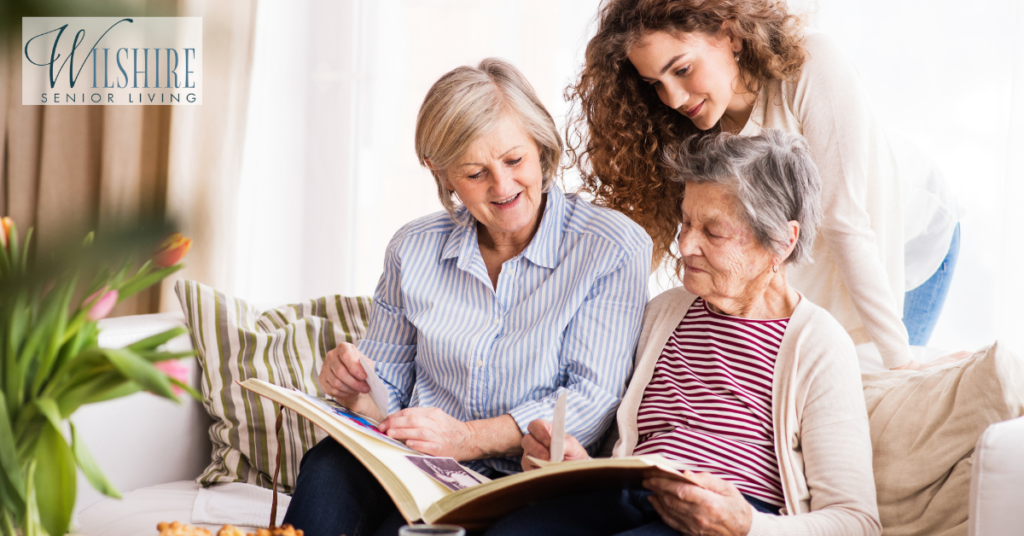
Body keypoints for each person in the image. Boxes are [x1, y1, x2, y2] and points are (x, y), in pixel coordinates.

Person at [283, 58, 653, 536]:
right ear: (442, 174)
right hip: (422, 466)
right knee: (330, 464)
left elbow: (589, 402)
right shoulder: (412, 248)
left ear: (541, 145)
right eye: (475, 173)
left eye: (515, 160)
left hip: (529, 479)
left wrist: (466, 439)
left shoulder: (611, 246)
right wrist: (357, 391)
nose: (503, 187)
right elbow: (389, 400)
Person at [485, 131, 881, 536]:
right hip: (625, 498)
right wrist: (576, 465)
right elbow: (621, 448)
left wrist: (747, 526)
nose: (686, 244)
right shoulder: (664, 312)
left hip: (724, 520)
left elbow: (857, 522)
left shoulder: (819, 344)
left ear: (782, 241)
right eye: (686, 221)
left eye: (714, 232)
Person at [565, 0, 963, 368]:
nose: (673, 98)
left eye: (682, 69)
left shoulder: (812, 66)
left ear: (731, 34)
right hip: (828, 251)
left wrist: (903, 364)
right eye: (656, 83)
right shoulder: (690, 129)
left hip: (911, 237)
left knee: (887, 387)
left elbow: (845, 224)